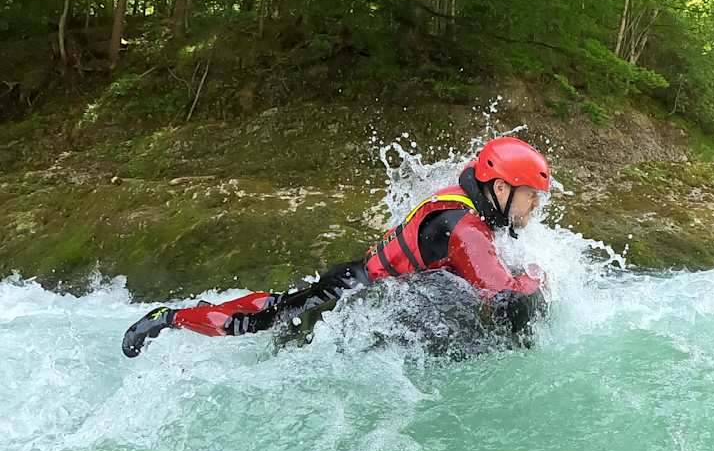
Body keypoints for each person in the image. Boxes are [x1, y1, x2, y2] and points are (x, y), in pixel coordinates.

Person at [122, 136, 551, 358]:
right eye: (531, 194)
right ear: (499, 187)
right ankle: (172, 317)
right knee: (264, 321)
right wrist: (537, 279)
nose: (536, 205)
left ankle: (186, 314)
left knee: (278, 325)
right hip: (351, 300)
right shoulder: (467, 229)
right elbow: (507, 302)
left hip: (363, 287)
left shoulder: (467, 198)